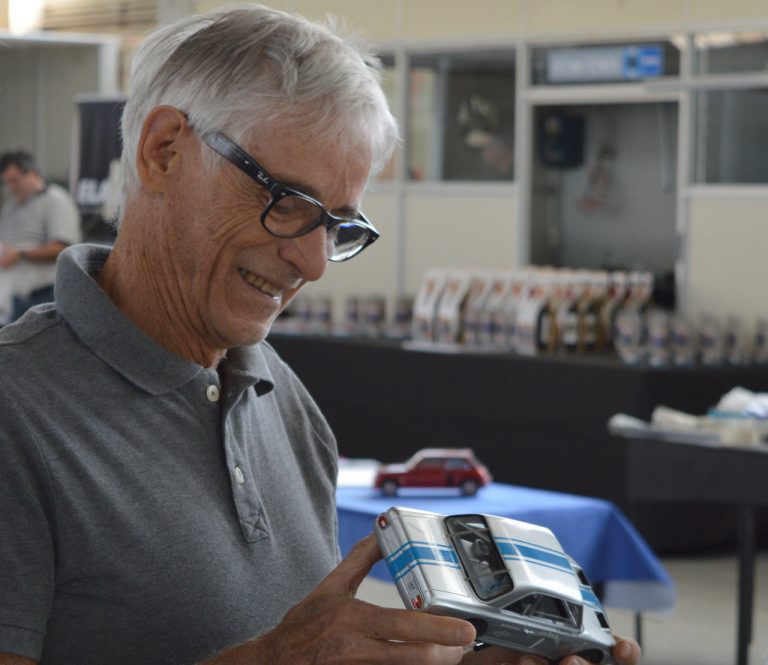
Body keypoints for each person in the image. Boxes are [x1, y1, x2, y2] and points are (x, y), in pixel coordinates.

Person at [0, 6, 641, 665]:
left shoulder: (283, 399)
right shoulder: (17, 410)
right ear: (164, 151)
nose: (312, 264)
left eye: (337, 226)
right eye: (288, 204)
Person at [0, 150, 81, 323]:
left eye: (15, 180)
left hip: (45, 295)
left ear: (33, 174)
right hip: (14, 298)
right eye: (7, 182)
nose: (12, 188)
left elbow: (64, 248)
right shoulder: (10, 208)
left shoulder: (55, 200)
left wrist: (20, 254)